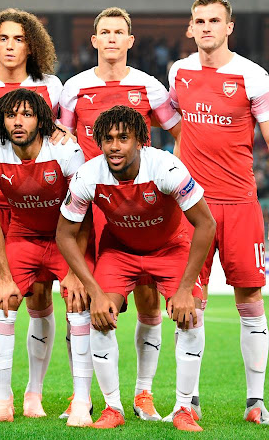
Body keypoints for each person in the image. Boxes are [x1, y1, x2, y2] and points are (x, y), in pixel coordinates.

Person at [57, 105, 216, 431]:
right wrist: (95, 292)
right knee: (100, 315)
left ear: (140, 141)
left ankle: (183, 408)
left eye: (123, 138)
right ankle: (112, 408)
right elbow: (64, 234)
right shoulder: (88, 175)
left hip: (169, 248)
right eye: (108, 139)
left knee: (191, 314)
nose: (115, 146)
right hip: (120, 251)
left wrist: (186, 288)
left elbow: (206, 224)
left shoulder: (166, 168)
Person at [59, 6, 182, 422]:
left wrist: (170, 184)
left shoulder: (150, 86)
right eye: (104, 32)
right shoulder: (73, 88)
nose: (111, 38)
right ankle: (81, 396)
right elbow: (63, 139)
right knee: (80, 298)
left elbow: (179, 134)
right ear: (94, 40)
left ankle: (143, 393)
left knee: (147, 299)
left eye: (119, 32)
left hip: (136, 207)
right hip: (88, 207)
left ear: (130, 41)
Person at [0, 8, 69, 418]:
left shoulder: (51, 86)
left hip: (38, 205)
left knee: (40, 297)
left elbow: (62, 136)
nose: (9, 46)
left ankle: (33, 393)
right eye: (3, 38)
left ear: (32, 45)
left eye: (18, 39)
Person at [168, 0, 269, 424]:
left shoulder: (253, 76)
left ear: (229, 27)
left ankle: (255, 402)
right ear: (191, 28)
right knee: (189, 301)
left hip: (241, 204)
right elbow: (176, 131)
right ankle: (186, 403)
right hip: (192, 207)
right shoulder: (179, 72)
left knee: (251, 299)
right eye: (200, 21)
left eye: (214, 20)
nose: (206, 27)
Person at [0, 88, 85, 425]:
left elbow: (86, 212)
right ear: (1, 121)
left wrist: (77, 271)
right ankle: (2, 403)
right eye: (11, 115)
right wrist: (4, 276)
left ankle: (79, 401)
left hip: (66, 238)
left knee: (78, 304)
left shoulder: (66, 151)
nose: (18, 122)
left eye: (27, 115)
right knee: (2, 303)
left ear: (42, 120)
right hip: (23, 237)